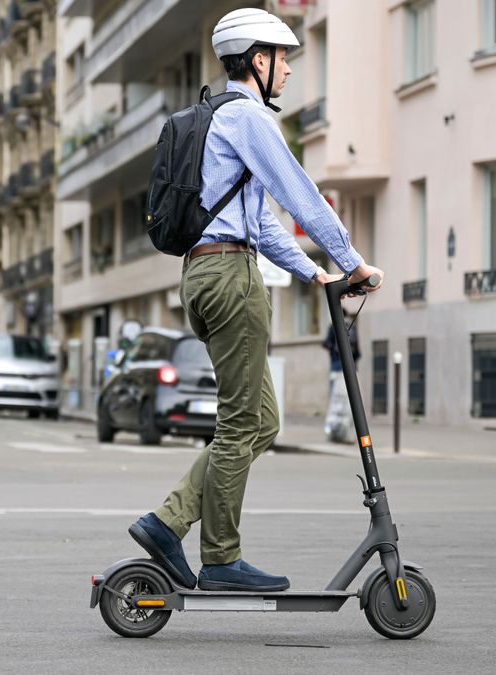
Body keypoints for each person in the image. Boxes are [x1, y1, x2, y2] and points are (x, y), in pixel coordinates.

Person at [128, 7, 384, 593]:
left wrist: (314, 274)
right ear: (258, 61)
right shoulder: (248, 118)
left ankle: (167, 522)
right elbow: (302, 196)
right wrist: (353, 262)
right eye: (283, 57)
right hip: (231, 279)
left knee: (261, 421)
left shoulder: (217, 118)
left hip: (203, 274)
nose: (290, 71)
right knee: (242, 420)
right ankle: (220, 557)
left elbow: (260, 224)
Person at [323, 312, 360, 443]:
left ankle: (333, 431)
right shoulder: (352, 326)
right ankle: (345, 432)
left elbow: (326, 343)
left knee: (335, 400)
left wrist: (333, 350)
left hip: (337, 365)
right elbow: (358, 352)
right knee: (349, 401)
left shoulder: (333, 326)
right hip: (351, 366)